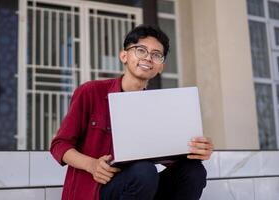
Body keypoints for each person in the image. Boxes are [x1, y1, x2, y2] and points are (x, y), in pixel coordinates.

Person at [50, 24, 214, 200]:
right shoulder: (90, 92)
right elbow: (59, 145)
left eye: (156, 55)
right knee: (145, 172)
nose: (148, 58)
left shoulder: (161, 108)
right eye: (141, 50)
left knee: (193, 170)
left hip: (138, 186)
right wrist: (91, 165)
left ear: (161, 67)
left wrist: (195, 150)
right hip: (94, 191)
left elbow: (165, 156)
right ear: (124, 56)